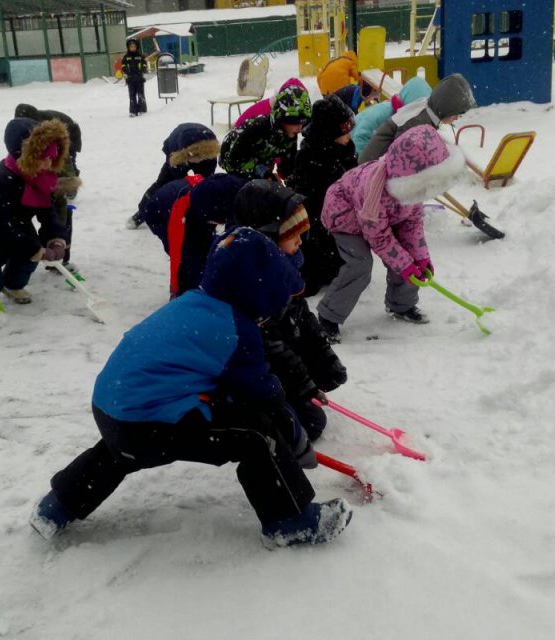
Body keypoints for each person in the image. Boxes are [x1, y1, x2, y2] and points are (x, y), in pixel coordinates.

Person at [30, 227, 353, 548]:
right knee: (258, 436)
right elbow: (261, 393)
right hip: (148, 421)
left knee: (119, 451)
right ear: (260, 294)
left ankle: (55, 508)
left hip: (114, 408)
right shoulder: (235, 330)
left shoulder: (195, 303)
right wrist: (295, 438)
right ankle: (291, 521)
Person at [317, 124, 466, 342]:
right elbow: (380, 238)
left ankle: (401, 304)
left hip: (384, 216)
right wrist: (405, 265)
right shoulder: (375, 193)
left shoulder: (411, 185)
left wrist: (421, 258)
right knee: (360, 265)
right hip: (345, 216)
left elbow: (412, 222)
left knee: (410, 259)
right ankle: (328, 316)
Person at [232, 180, 347, 441]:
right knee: (311, 426)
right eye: (292, 236)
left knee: (317, 393)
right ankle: (260, 415)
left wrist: (324, 358)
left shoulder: (284, 263)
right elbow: (269, 344)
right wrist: (303, 384)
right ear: (268, 238)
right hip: (255, 370)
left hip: (281, 356)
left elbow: (301, 315)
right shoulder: (251, 279)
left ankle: (288, 398)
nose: (300, 242)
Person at [0, 117, 71, 305]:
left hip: (16, 226)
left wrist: (56, 238)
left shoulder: (40, 176)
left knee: (27, 254)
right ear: (26, 156)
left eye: (53, 156)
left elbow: (47, 212)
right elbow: (3, 223)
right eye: (45, 158)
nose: (49, 163)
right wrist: (35, 249)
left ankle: (12, 284)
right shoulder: (0, 180)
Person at [289, 95, 358, 297]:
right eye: (345, 131)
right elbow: (311, 193)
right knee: (317, 245)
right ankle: (312, 275)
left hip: (340, 215)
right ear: (331, 133)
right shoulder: (311, 157)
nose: (350, 135)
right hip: (317, 214)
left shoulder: (344, 149)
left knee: (334, 254)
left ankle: (331, 267)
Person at [142, 173, 247, 297]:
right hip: (158, 211)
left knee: (204, 248)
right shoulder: (191, 214)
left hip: (190, 199)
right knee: (188, 257)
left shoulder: (241, 194)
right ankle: (184, 294)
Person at [14, 104, 82, 268]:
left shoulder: (51, 134)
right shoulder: (22, 132)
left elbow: (65, 158)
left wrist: (68, 182)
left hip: (70, 133)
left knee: (61, 214)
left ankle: (60, 258)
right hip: (38, 182)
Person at [358, 73, 476, 163]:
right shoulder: (417, 122)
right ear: (446, 107)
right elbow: (400, 159)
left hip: (377, 165)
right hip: (372, 172)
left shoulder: (426, 110)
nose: (456, 118)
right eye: (456, 113)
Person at [126, 122, 220, 229]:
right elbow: (178, 184)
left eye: (200, 158)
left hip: (201, 150)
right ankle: (142, 213)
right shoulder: (175, 153)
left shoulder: (209, 154)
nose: (197, 161)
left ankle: (205, 218)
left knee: (205, 186)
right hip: (179, 153)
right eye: (194, 158)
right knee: (164, 184)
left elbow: (205, 182)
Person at [219, 79, 311, 180]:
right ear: (283, 119)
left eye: (303, 123)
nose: (300, 129)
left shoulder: (289, 132)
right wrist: (263, 173)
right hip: (234, 163)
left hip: (260, 165)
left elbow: (287, 165)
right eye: (296, 123)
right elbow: (234, 161)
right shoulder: (258, 128)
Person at [350, 74, 432, 156]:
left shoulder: (404, 119)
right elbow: (359, 137)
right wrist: (364, 164)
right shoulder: (382, 113)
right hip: (350, 142)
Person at [120, 37, 148, 117]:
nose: (132, 48)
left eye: (134, 46)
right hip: (130, 79)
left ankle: (142, 109)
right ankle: (133, 111)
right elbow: (123, 66)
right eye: (131, 46)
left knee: (141, 95)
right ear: (128, 47)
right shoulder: (126, 57)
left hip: (139, 79)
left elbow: (144, 64)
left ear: (137, 47)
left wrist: (143, 68)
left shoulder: (140, 56)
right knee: (132, 95)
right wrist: (128, 72)